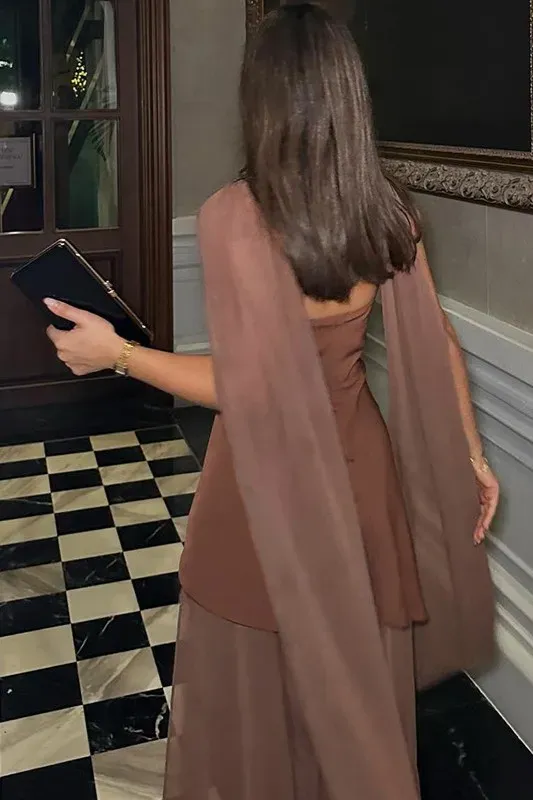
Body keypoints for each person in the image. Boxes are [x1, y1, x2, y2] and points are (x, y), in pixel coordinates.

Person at [46, 4, 499, 798]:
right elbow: (438, 341)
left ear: (261, 101)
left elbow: (247, 388)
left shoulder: (235, 217)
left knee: (261, 685)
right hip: (358, 474)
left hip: (263, 483)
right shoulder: (388, 213)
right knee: (351, 676)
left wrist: (114, 353)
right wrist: (470, 454)